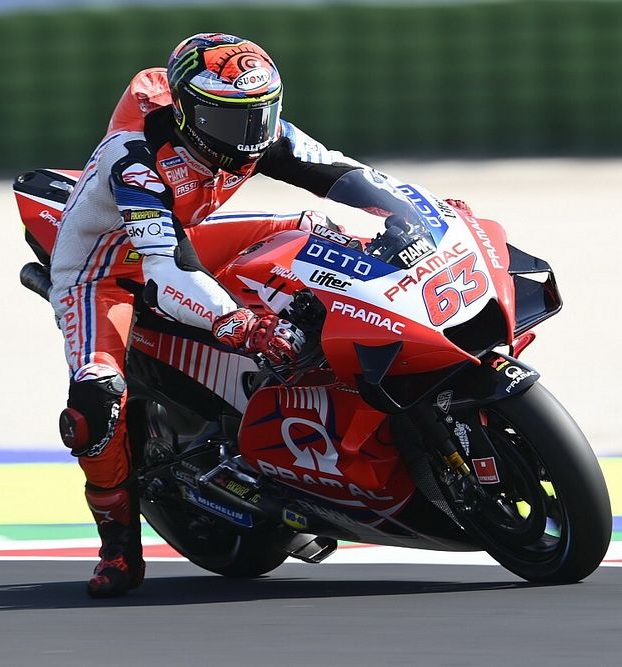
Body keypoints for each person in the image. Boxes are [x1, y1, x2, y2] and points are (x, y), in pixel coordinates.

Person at [49, 32, 405, 598]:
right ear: (189, 113)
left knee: (316, 233)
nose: (251, 138)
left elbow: (340, 171)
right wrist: (236, 321)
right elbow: (164, 271)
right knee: (95, 400)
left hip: (182, 237)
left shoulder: (252, 131)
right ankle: (117, 542)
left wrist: (411, 212)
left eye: (261, 118)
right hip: (107, 273)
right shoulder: (136, 160)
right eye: (232, 122)